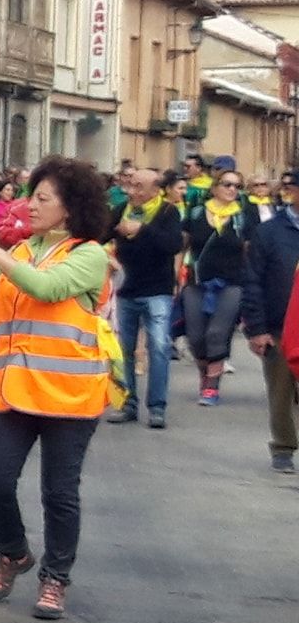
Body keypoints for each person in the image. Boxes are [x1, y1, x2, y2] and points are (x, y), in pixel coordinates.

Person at [0, 157, 114, 620]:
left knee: (59, 493)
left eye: (43, 198)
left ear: (70, 209)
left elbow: (47, 289)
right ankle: (13, 552)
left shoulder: (89, 255)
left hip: (70, 395)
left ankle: (55, 578)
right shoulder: (24, 251)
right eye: (32, 195)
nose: (31, 205)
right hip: (14, 391)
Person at [107, 168, 183, 430]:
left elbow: (173, 244)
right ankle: (127, 403)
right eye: (131, 185)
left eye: (139, 187)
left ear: (155, 190)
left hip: (157, 291)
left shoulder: (167, 212)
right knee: (124, 350)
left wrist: (142, 229)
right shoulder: (120, 209)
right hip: (127, 290)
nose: (133, 192)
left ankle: (157, 407)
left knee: (159, 347)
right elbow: (100, 235)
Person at [181, 166, 255, 406]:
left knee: (217, 333)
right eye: (227, 184)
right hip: (197, 281)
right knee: (195, 336)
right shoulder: (196, 214)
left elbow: (249, 251)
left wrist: (252, 282)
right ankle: (206, 374)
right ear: (214, 188)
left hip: (231, 283)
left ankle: (212, 387)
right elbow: (183, 245)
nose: (232, 189)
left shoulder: (243, 216)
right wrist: (176, 277)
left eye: (237, 186)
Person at [242, 169, 299, 472]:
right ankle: (283, 447)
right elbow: (252, 281)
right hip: (280, 326)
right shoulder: (269, 232)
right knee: (281, 392)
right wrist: (257, 329)